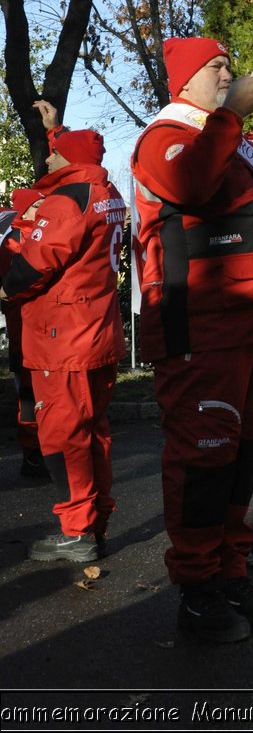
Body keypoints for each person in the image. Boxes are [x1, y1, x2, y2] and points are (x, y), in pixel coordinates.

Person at [131, 36, 253, 644]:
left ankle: (229, 571)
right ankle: (196, 590)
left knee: (240, 459)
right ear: (185, 80)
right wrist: (232, 117)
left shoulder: (230, 141)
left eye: (230, 64)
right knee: (202, 459)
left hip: (250, 326)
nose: (228, 73)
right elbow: (193, 184)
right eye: (216, 67)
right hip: (200, 328)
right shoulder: (164, 138)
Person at [0, 104, 126, 562]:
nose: (46, 160)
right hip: (97, 332)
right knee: (94, 432)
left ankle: (76, 531)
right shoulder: (104, 190)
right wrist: (58, 129)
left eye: (53, 153)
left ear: (67, 161)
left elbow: (36, 261)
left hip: (61, 338)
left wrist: (4, 289)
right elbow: (76, 154)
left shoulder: (65, 200)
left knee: (62, 435)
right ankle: (95, 521)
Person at [0, 187, 49, 479]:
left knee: (38, 395)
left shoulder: (32, 234)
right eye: (38, 204)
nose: (44, 207)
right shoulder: (15, 240)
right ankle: (32, 454)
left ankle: (41, 451)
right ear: (26, 210)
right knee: (29, 395)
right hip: (25, 332)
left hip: (39, 330)